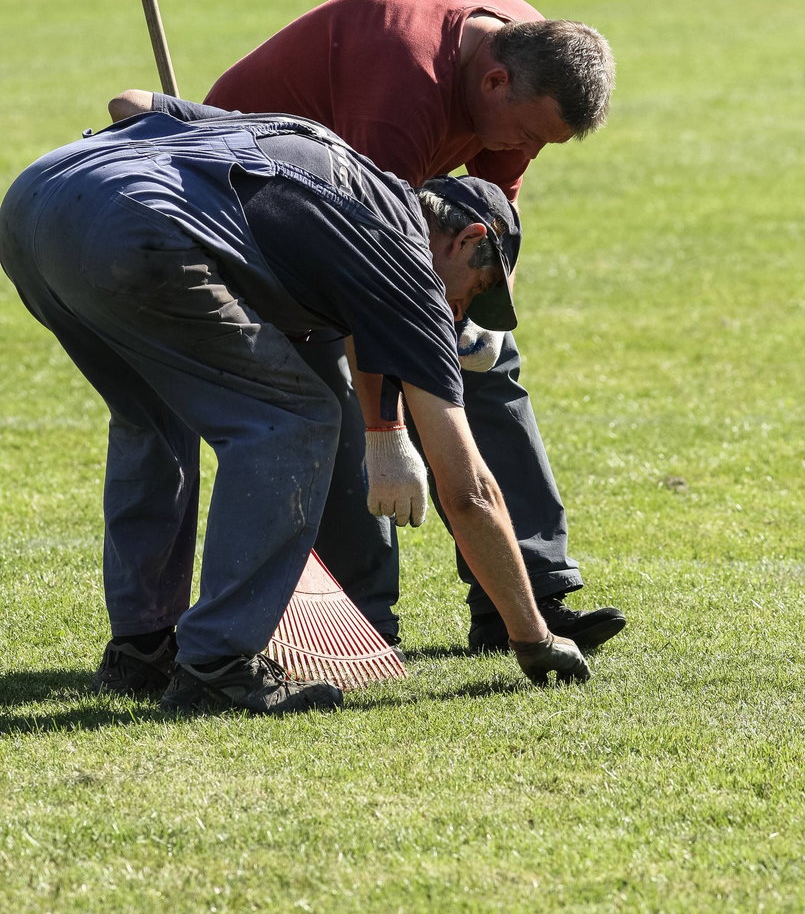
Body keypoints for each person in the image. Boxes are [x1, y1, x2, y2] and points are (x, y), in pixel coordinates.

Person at [0, 102, 591, 717]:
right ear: (469, 241)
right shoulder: (410, 260)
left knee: (151, 420)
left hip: (37, 203)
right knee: (295, 420)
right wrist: (533, 636)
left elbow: (131, 103)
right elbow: (467, 490)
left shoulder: (331, 159)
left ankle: (144, 646)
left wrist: (384, 432)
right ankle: (219, 666)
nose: (460, 315)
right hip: (139, 226)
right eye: (476, 293)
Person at [111, 0, 626, 660]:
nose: (524, 145)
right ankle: (361, 619)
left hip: (375, 210)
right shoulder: (402, 89)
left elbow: (492, 204)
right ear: (495, 80)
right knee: (342, 402)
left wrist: (478, 311)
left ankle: (528, 593)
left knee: (489, 368)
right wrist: (389, 437)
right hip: (262, 222)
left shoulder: (533, 55)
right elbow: (368, 279)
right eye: (528, 133)